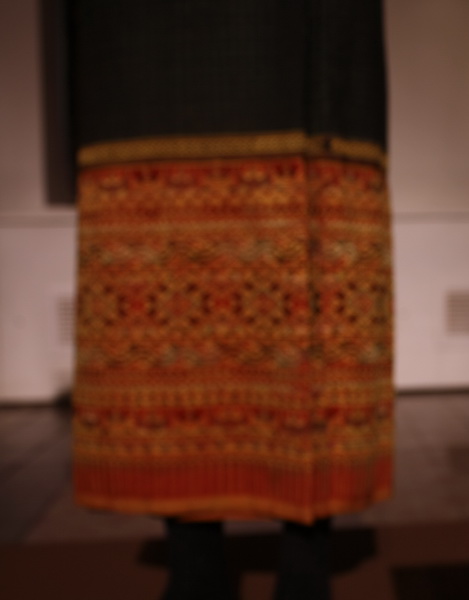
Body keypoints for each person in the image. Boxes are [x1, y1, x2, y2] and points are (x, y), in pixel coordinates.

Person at [68, 2, 393, 598]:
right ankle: (195, 562)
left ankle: (301, 564)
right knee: (166, 283)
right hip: (145, 44)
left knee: (311, 281)